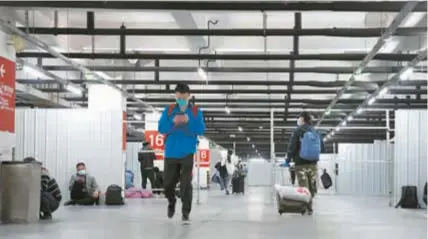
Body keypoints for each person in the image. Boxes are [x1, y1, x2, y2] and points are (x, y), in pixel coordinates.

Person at [158, 83, 205, 223]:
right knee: (167, 184)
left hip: (187, 152)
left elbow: (201, 130)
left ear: (189, 96)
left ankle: (186, 212)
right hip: (171, 152)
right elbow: (161, 128)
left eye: (183, 98)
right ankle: (171, 201)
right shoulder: (168, 110)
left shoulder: (196, 112)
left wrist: (188, 121)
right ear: (175, 96)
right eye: (178, 98)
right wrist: (173, 121)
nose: (181, 101)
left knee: (185, 184)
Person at [286, 111, 324, 215]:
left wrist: (288, 159)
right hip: (313, 163)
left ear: (302, 119)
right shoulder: (315, 131)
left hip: (300, 163)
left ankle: (306, 207)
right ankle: (309, 206)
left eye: (299, 118)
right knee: (311, 186)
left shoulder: (297, 131)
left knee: (303, 186)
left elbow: (292, 146)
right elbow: (323, 148)